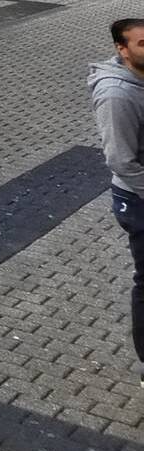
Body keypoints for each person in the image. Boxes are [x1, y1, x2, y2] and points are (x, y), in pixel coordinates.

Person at [92, 19, 144, 387]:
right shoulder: (117, 95)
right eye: (143, 43)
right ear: (122, 49)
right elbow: (122, 162)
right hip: (138, 200)